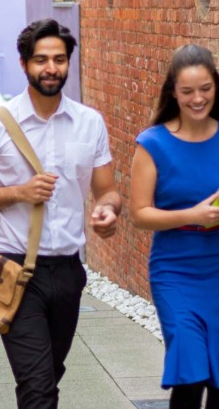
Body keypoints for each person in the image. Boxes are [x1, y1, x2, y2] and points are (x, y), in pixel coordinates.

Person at [0, 18, 121, 409]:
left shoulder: (89, 123)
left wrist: (108, 212)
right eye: (41, 59)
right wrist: (19, 192)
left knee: (49, 376)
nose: (51, 68)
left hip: (69, 271)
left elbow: (107, 191)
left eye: (59, 60)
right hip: (15, 271)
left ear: (68, 63)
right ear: (24, 62)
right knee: (38, 386)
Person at [130, 44, 219, 409]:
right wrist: (192, 216)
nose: (198, 99)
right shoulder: (153, 144)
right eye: (187, 92)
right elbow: (139, 214)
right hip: (175, 270)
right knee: (191, 371)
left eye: (206, 89)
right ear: (173, 92)